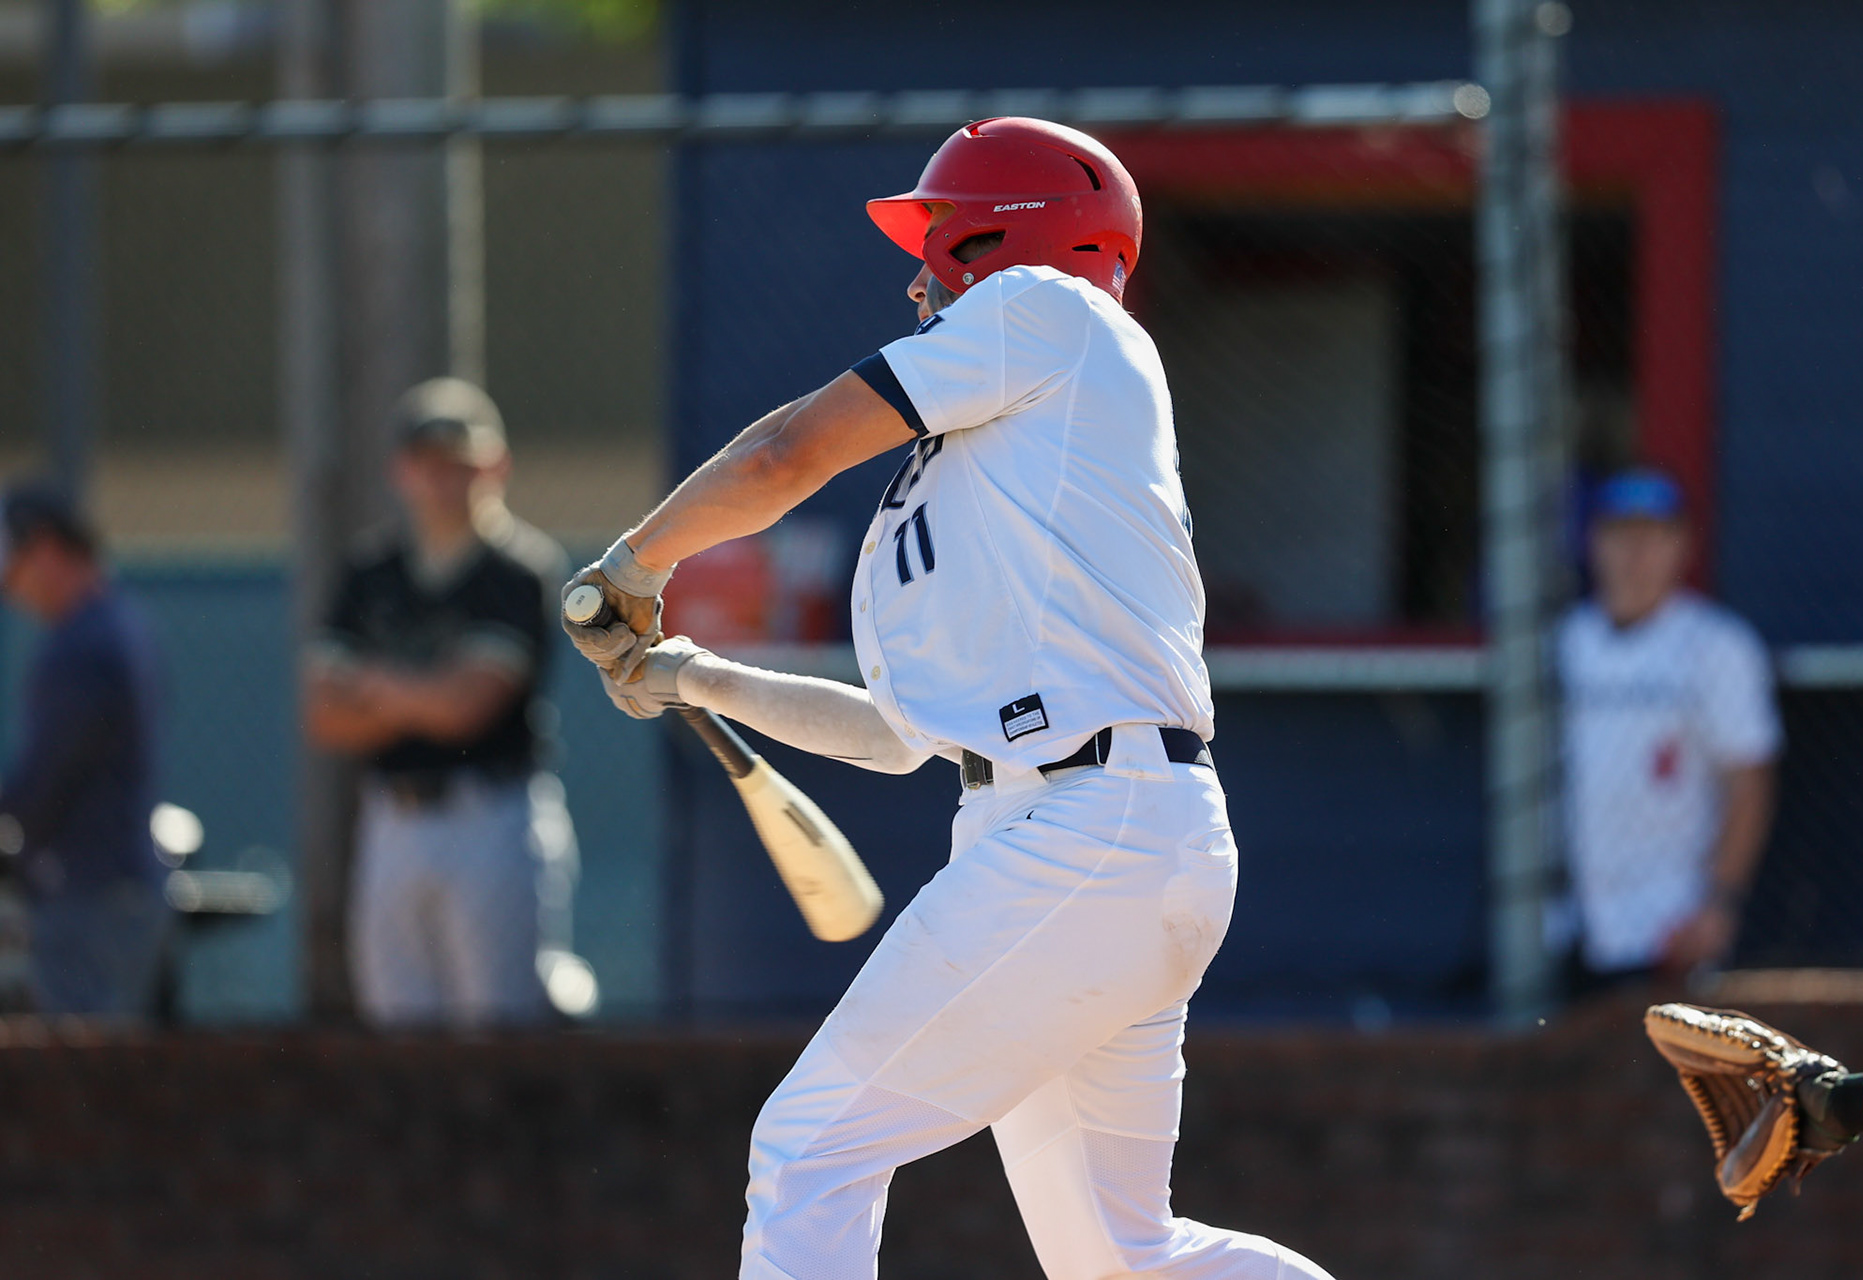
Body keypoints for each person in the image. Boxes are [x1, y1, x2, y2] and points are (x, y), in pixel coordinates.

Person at [564, 118, 1333, 1280]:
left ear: (1005, 236)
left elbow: (784, 455)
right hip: (1104, 830)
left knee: (811, 1148)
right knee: (1120, 1259)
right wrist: (698, 673)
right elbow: (899, 738)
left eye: (941, 237)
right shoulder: (1014, 461)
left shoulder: (1046, 314)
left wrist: (635, 565)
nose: (920, 273)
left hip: (1090, 831)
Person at [304, 378, 579, 1028]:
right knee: (398, 1028)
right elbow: (324, 716)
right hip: (392, 818)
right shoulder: (370, 572)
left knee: (496, 1029)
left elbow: (468, 709)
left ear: (497, 466)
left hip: (489, 812)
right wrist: (427, 691)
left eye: (463, 463)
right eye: (430, 464)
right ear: (402, 471)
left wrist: (374, 684)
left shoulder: (520, 569)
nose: (445, 480)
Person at [1558, 468, 1782, 994]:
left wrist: (1719, 905)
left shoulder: (1716, 647)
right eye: (1621, 535)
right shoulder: (1567, 641)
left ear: (1681, 546)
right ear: (1594, 543)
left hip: (1670, 921)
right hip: (1573, 923)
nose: (1637, 554)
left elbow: (1749, 782)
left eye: (1654, 536)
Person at [0, 482, 170, 1020]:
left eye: (16, 567)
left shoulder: (85, 644)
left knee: (82, 1082)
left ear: (48, 549)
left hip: (93, 892)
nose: (13, 589)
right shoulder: (114, 626)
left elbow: (50, 780)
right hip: (111, 886)